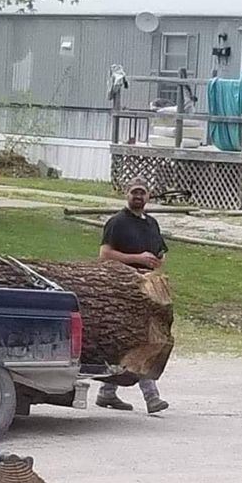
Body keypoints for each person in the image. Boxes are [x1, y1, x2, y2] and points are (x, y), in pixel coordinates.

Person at [96, 176, 169, 415]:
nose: (138, 196)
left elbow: (160, 252)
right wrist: (137, 259)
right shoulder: (117, 222)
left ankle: (107, 393)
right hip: (122, 288)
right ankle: (151, 396)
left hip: (146, 288)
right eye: (134, 192)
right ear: (126, 195)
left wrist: (156, 262)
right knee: (141, 340)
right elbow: (105, 254)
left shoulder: (152, 223)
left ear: (148, 196)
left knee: (126, 341)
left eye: (142, 192)